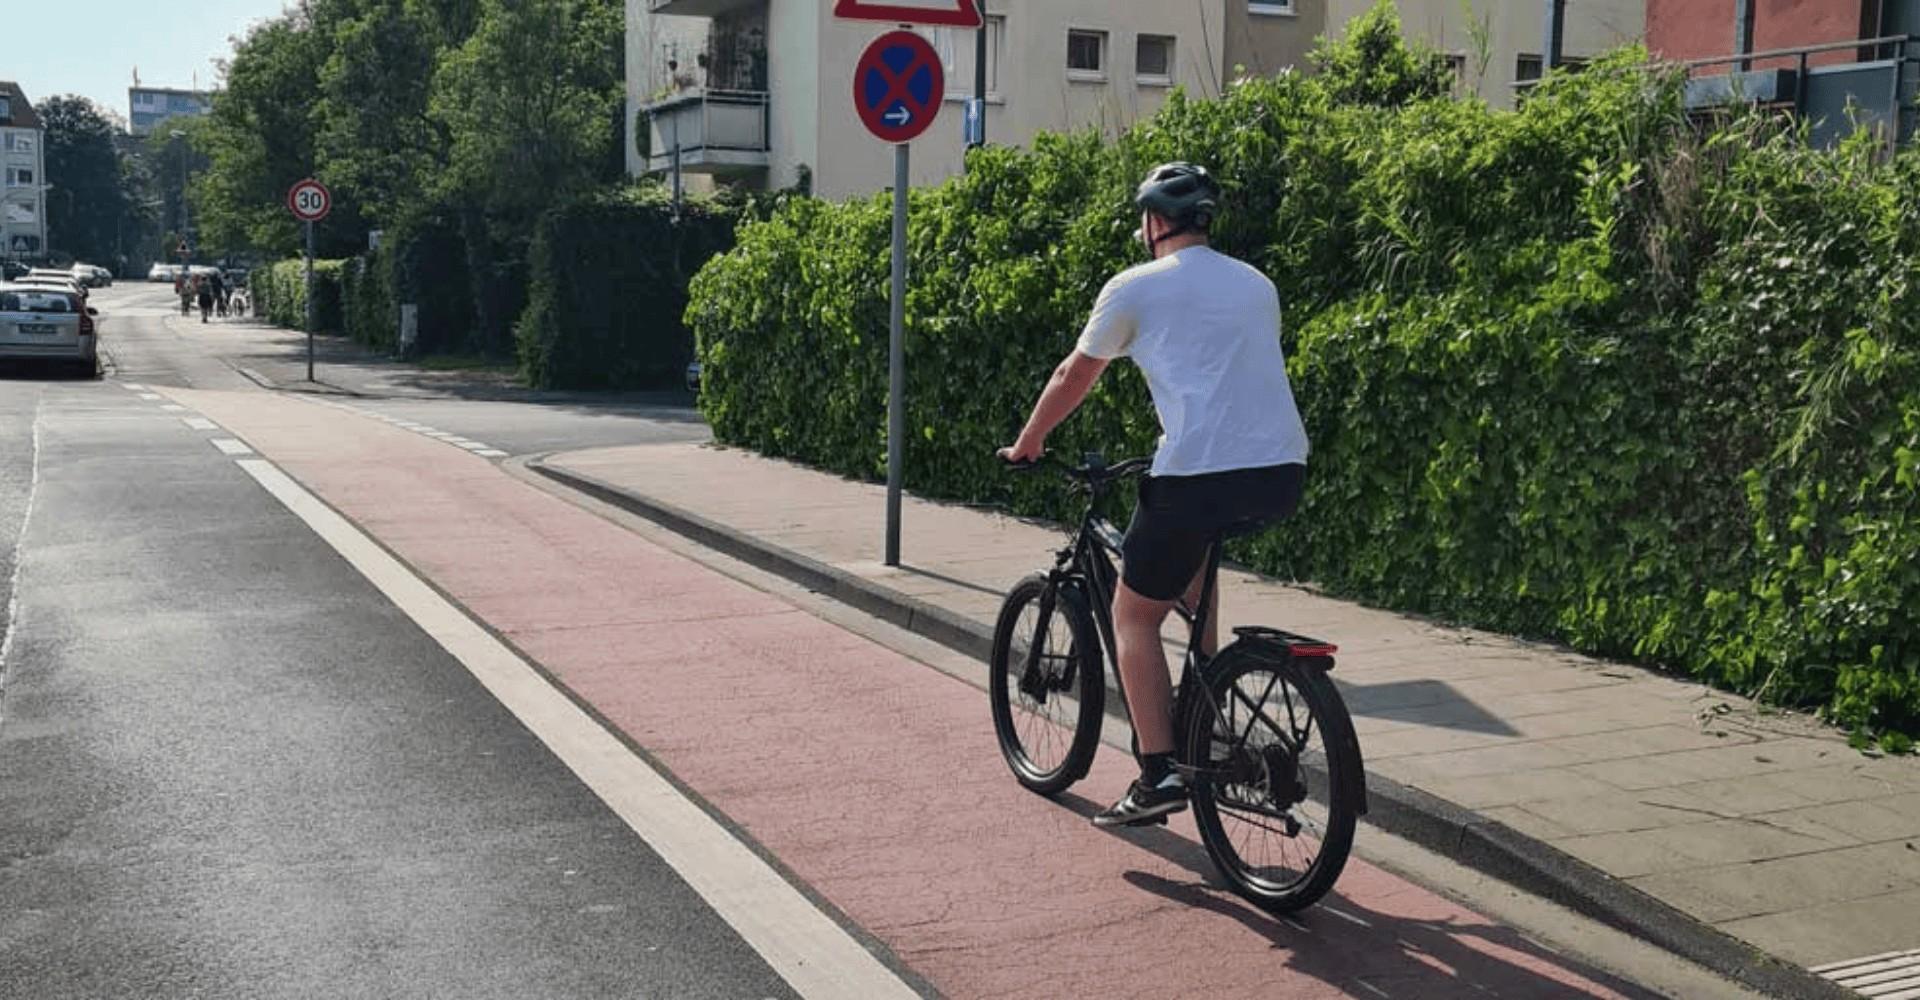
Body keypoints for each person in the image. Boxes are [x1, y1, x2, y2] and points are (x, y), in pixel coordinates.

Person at [997, 163, 1311, 828]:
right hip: (1280, 470)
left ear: (1153, 221)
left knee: (1133, 616)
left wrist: (1029, 442)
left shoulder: (1134, 288)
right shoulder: (1257, 284)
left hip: (1196, 472)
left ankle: (1161, 770)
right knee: (1192, 569)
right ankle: (1209, 704)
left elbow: (1073, 374)